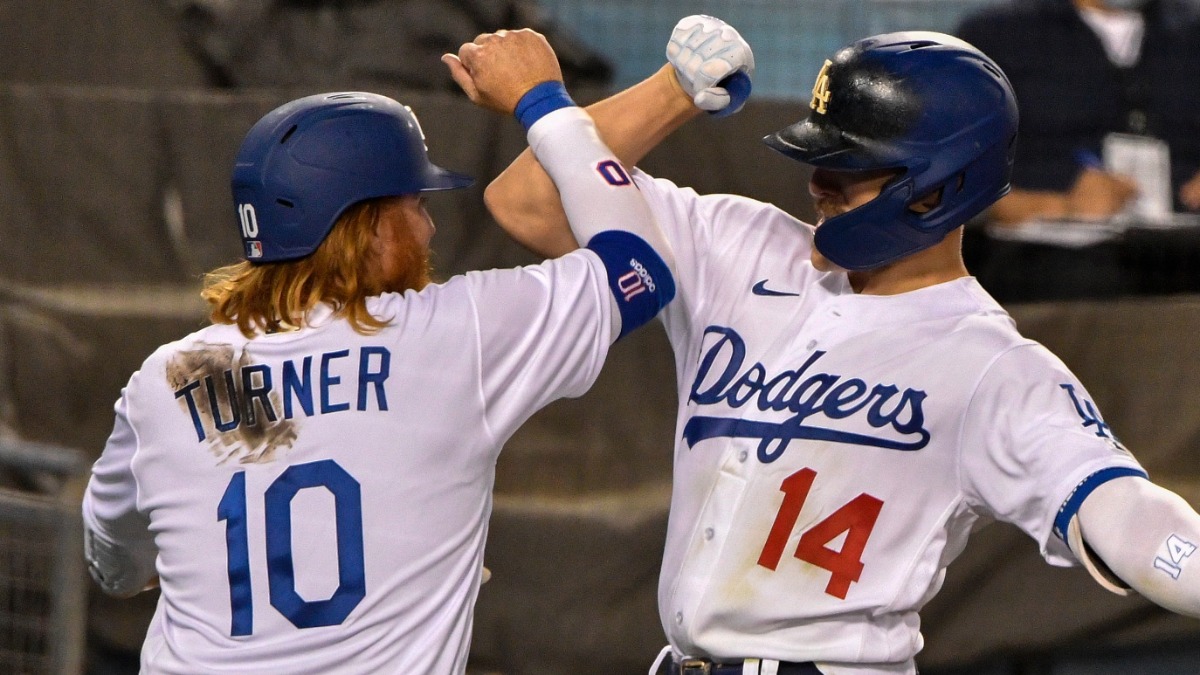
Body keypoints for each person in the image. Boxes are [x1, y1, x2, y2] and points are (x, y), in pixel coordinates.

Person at [484, 16, 1200, 675]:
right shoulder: (734, 245)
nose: (819, 183)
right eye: (821, 155)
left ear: (937, 187)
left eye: (851, 167)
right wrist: (675, 92)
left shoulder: (992, 366)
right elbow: (527, 201)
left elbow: (1125, 511)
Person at [81, 29, 676, 673]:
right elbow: (639, 267)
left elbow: (115, 565)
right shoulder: (451, 334)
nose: (428, 226)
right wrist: (545, 103)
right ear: (367, 224)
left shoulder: (172, 378)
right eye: (414, 203)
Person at [955, 0, 1200, 302]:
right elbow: (956, 176)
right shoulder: (996, 35)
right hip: (1049, 261)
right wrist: (1059, 206)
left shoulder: (1191, 28)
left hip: (1181, 243)